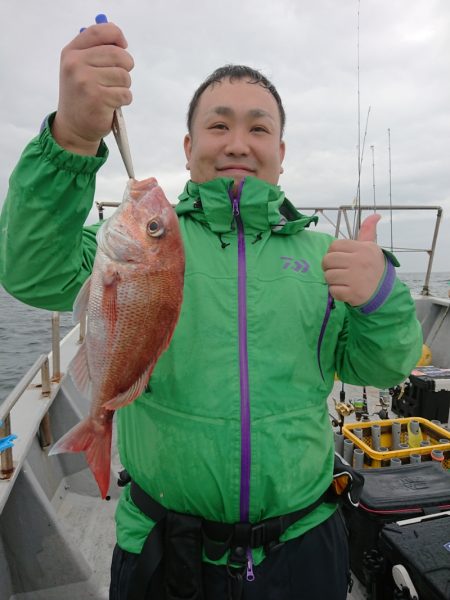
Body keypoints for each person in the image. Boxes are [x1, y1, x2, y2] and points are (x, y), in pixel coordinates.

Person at [0, 19, 422, 600]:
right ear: (188, 146)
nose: (237, 142)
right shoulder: (147, 238)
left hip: (304, 545)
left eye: (258, 127)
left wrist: (382, 296)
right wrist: (72, 138)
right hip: (163, 549)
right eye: (217, 125)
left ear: (281, 150)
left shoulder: (328, 256)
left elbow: (383, 367)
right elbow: (32, 269)